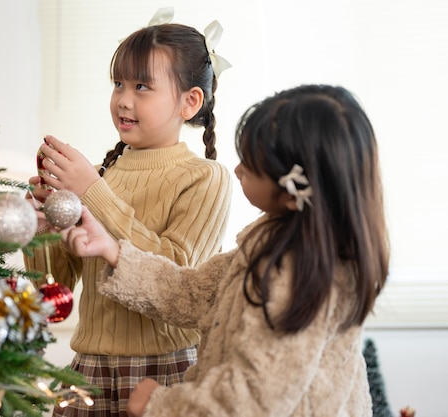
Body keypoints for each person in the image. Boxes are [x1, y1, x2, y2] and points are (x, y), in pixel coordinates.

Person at [61, 84, 390, 417]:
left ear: (292, 193)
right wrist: (114, 252)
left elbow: (252, 401)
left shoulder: (303, 276)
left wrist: (159, 405)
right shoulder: (269, 245)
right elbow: (191, 294)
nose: (237, 170)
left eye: (250, 164)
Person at [24, 7, 233, 417]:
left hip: (167, 370)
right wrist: (42, 229)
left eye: (142, 86)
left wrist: (92, 193)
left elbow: (176, 276)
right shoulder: (103, 177)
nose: (123, 99)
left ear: (190, 101)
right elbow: (55, 290)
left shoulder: (206, 178)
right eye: (118, 83)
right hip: (89, 370)